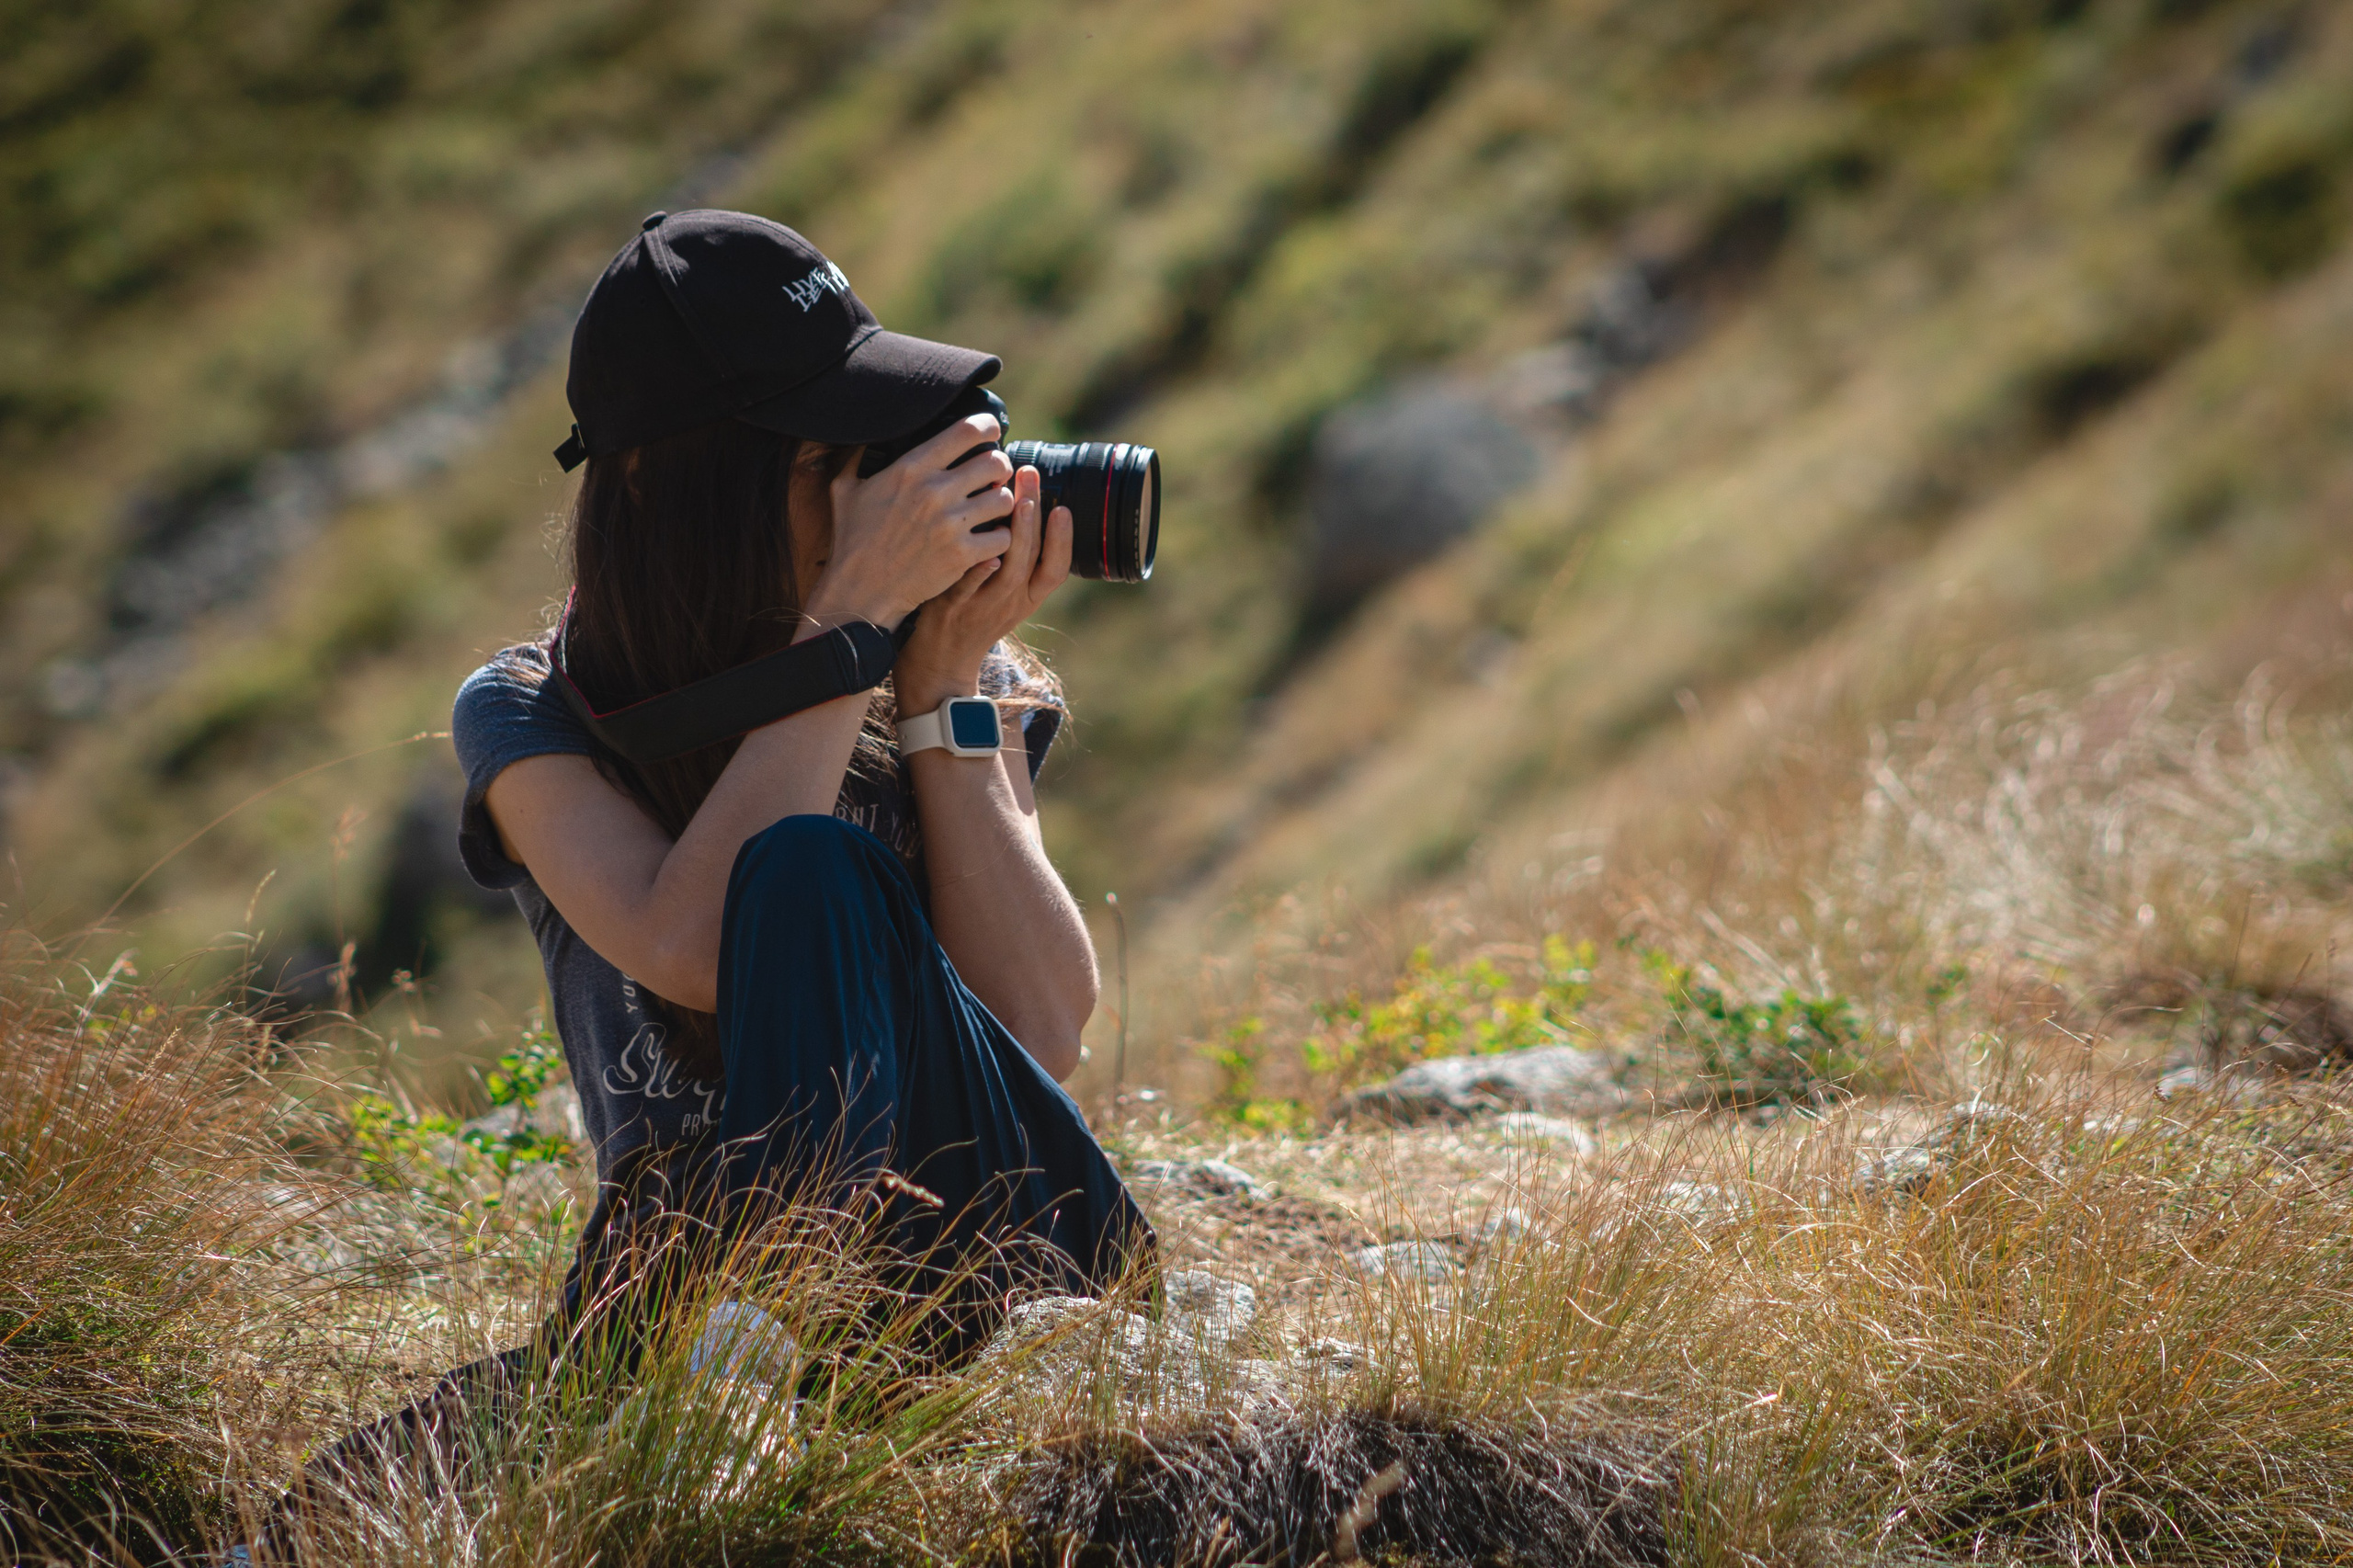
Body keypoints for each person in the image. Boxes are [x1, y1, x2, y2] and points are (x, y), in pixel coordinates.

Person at [273, 210, 1152, 1523]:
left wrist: (936, 690)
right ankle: (731, 1368)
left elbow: (1041, 1023)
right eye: (827, 460)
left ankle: (736, 1382)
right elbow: (689, 940)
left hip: (999, 1253)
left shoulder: (949, 665)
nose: (881, 493)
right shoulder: (531, 710)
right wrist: (838, 633)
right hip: (689, 1280)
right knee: (331, 1502)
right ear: (678, 486)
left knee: (819, 876)